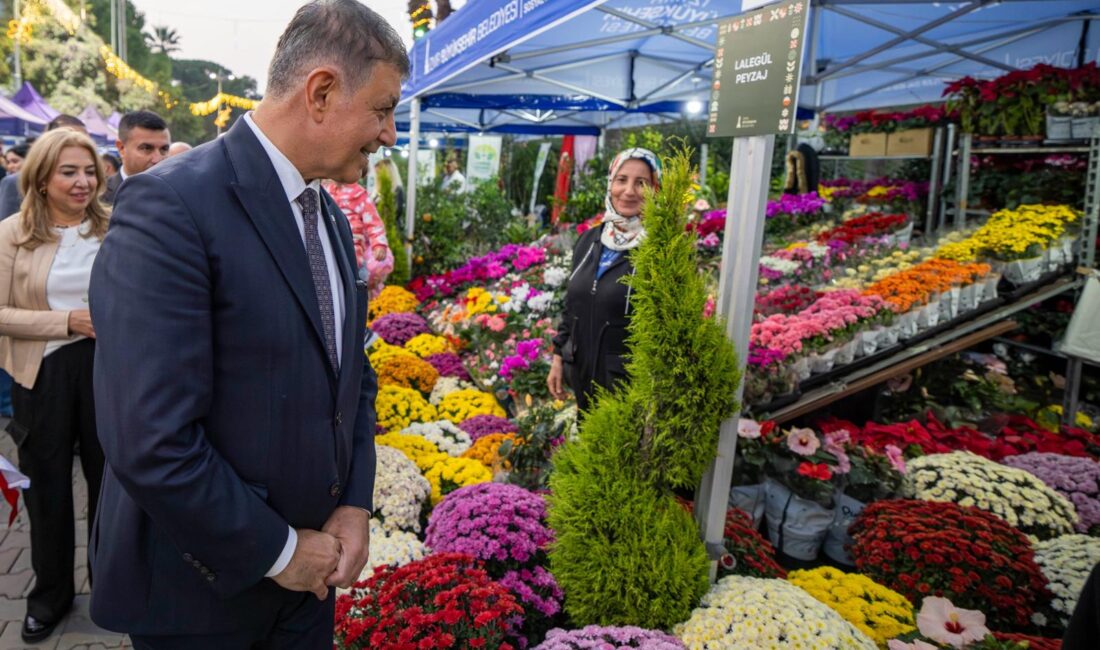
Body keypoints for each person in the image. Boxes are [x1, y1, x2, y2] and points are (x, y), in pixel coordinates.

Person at [88, 0, 404, 646]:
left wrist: (353, 502)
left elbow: (353, 379)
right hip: (203, 602)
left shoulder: (333, 220)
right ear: (320, 92)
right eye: (382, 109)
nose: (390, 133)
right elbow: (151, 439)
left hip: (308, 594)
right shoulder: (171, 206)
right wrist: (282, 551)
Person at [0, 129, 109, 643]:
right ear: (41, 178)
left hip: (108, 372)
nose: (83, 181)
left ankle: (112, 590)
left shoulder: (116, 229)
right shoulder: (11, 234)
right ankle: (49, 597)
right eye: (69, 171)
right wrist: (66, 322)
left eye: (89, 170)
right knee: (46, 490)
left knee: (111, 486)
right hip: (40, 374)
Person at [548, 147, 661, 413]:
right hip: (583, 373)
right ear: (611, 183)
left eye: (641, 183)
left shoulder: (659, 248)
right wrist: (558, 357)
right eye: (621, 179)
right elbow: (572, 307)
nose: (629, 191)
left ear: (656, 189)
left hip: (628, 388)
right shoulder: (590, 240)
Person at [0, 115, 87, 219]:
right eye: (69, 140)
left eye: (85, 140)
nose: (79, 145)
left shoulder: (92, 182)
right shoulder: (15, 183)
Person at [323, 180, 393, 296]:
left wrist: (378, 243)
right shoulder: (325, 191)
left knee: (351, 287)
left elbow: (373, 222)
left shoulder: (359, 194)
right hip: (327, 247)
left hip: (352, 251)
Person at [101, 111, 171, 205]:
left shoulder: (178, 195)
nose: (157, 159)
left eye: (164, 149)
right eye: (147, 148)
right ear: (121, 148)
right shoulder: (98, 195)